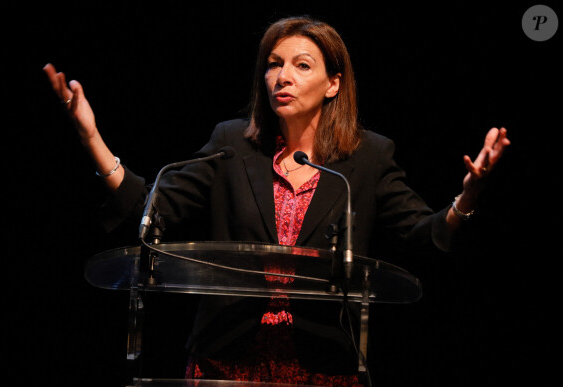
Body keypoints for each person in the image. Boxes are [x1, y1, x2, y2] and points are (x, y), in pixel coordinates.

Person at [44, 15, 510, 386]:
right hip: (225, 362)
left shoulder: (367, 158)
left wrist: (467, 196)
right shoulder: (231, 146)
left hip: (322, 365)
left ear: (333, 83)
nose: (281, 77)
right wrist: (91, 137)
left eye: (301, 65)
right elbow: (151, 211)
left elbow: (422, 234)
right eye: (273, 63)